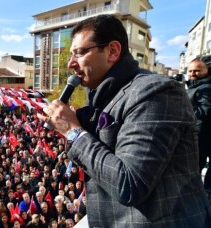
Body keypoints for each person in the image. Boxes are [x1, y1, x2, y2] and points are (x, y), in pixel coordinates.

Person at [38, 14, 211, 227]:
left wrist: (73, 131)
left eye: (81, 52)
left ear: (112, 51)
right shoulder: (107, 95)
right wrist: (76, 121)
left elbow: (130, 184)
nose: (71, 64)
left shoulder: (155, 92)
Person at [187, 57, 211, 192]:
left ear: (206, 70)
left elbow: (205, 111)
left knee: (195, 166)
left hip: (201, 134)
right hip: (197, 132)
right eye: (190, 71)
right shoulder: (195, 86)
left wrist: (182, 107)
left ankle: (198, 195)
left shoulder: (206, 88)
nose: (192, 74)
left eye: (197, 71)